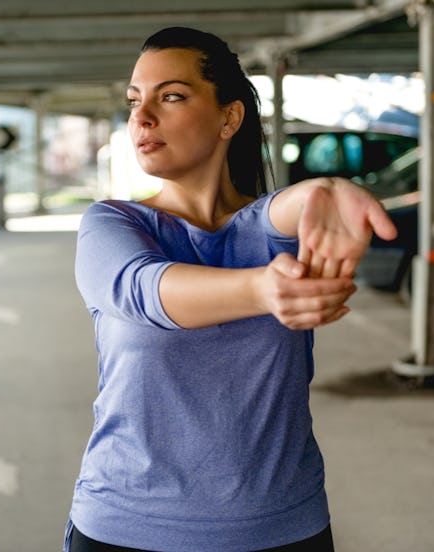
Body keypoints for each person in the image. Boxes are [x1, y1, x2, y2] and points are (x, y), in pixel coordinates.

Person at [65, 27, 397, 552]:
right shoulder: (113, 225)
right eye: (135, 101)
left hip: (283, 530)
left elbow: (295, 204)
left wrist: (332, 188)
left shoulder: (265, 229)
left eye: (170, 96)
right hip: (127, 529)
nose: (141, 117)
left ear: (230, 117)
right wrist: (263, 290)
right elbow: (145, 290)